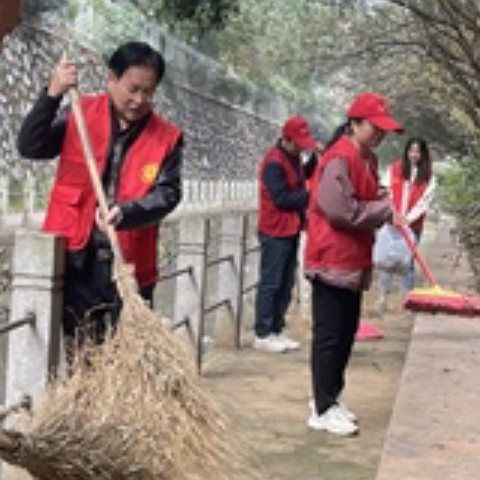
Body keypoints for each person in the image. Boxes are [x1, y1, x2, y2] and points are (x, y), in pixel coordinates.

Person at [17, 41, 183, 361]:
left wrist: (129, 212)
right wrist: (52, 94)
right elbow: (31, 146)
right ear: (111, 78)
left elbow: (168, 194)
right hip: (79, 261)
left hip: (130, 265)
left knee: (128, 361)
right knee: (81, 355)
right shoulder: (79, 112)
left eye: (148, 92)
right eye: (133, 89)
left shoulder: (167, 137)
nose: (139, 100)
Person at [304, 93, 403, 435]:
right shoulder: (337, 160)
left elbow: (367, 199)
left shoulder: (368, 160)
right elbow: (341, 211)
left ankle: (330, 397)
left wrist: (383, 202)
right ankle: (321, 407)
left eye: (384, 130)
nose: (380, 135)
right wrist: (385, 209)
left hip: (353, 261)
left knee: (345, 334)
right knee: (329, 337)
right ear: (355, 123)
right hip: (331, 259)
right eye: (375, 128)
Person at [253, 116, 317, 353]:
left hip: (291, 229)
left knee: (286, 282)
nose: (302, 147)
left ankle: (277, 329)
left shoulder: (294, 157)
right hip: (274, 230)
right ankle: (263, 332)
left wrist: (316, 160)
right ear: (287, 139)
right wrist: (312, 196)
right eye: (299, 142)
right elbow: (281, 198)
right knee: (271, 282)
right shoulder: (274, 163)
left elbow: (304, 176)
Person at [377, 137, 436, 312]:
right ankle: (382, 299)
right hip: (392, 223)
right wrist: (394, 214)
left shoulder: (428, 176)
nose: (414, 155)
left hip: (413, 226)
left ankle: (407, 299)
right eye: (411, 151)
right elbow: (385, 191)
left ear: (423, 154)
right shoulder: (395, 169)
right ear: (406, 151)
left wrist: (408, 219)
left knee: (408, 263)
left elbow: (424, 202)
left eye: (418, 151)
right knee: (387, 261)